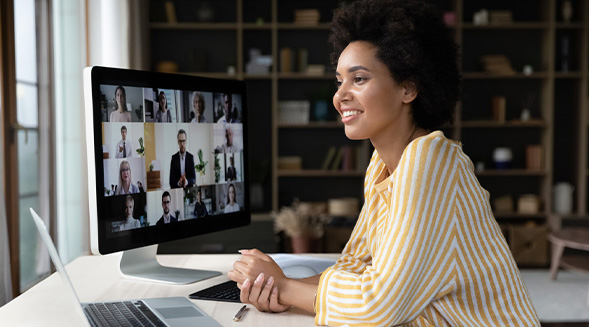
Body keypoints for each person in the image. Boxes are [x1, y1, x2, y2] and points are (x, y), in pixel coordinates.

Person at [228, 0, 540, 326]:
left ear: (408, 88)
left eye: (359, 79)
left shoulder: (430, 161)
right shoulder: (384, 163)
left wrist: (285, 287)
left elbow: (379, 308)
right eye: (339, 81)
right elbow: (355, 265)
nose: (340, 96)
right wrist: (273, 288)